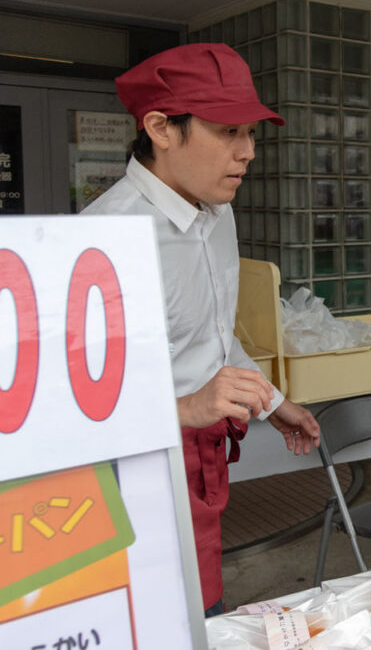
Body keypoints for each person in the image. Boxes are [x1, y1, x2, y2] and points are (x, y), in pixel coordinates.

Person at [84, 43, 321, 616]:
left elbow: (214, 335)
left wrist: (271, 400)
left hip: (200, 457)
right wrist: (187, 407)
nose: (247, 153)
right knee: (149, 625)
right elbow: (77, 413)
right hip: (125, 479)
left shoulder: (219, 215)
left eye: (250, 133)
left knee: (203, 612)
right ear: (161, 128)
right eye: (227, 132)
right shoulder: (100, 240)